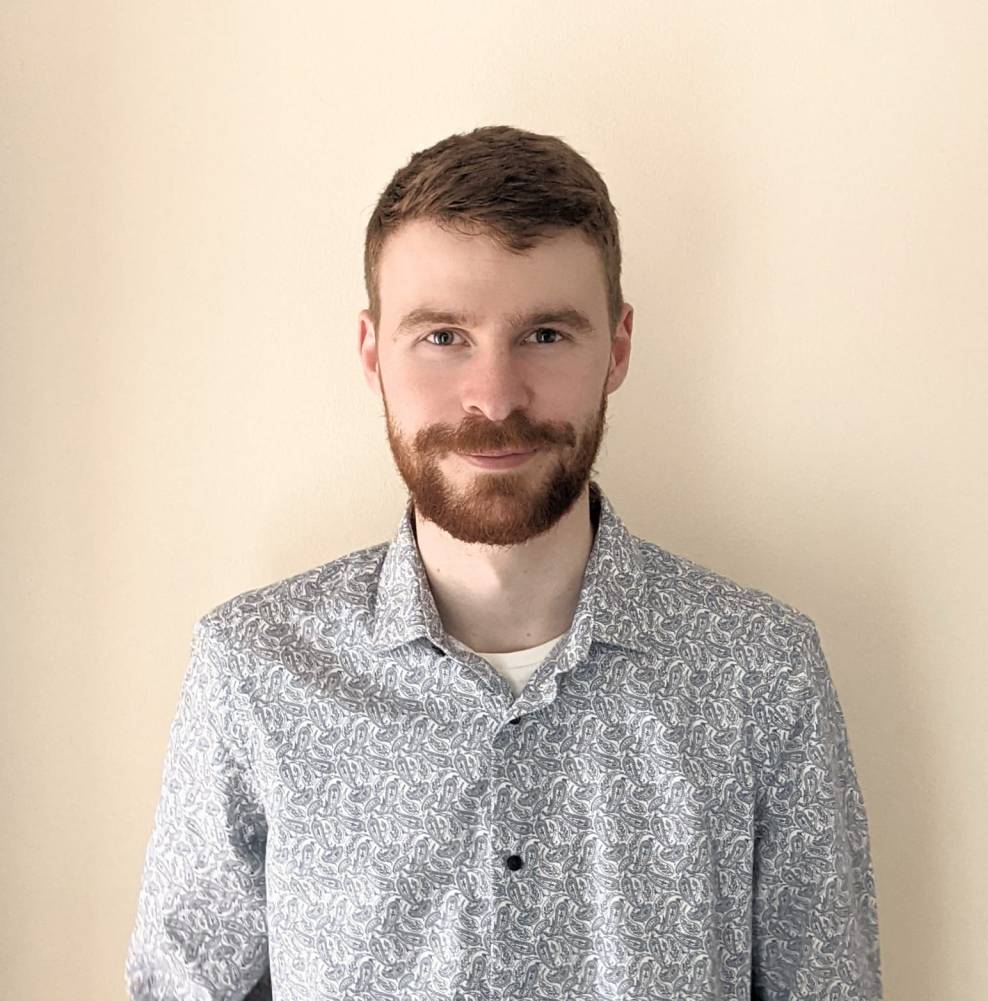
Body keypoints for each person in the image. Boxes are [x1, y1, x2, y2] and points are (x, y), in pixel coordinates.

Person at [124, 125, 883, 1001]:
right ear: (372, 354)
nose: (493, 395)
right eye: (443, 335)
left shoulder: (760, 672)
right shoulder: (254, 670)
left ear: (618, 349)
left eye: (546, 334)